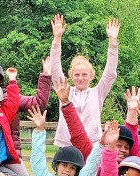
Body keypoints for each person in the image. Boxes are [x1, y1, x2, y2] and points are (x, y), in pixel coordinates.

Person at [50, 14, 120, 147]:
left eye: (84, 74)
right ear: (71, 76)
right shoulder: (64, 91)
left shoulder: (97, 93)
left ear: (91, 76)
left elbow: (110, 73)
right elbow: (55, 69)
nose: (80, 78)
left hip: (92, 144)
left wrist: (113, 42)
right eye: (76, 75)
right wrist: (57, 39)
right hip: (66, 144)